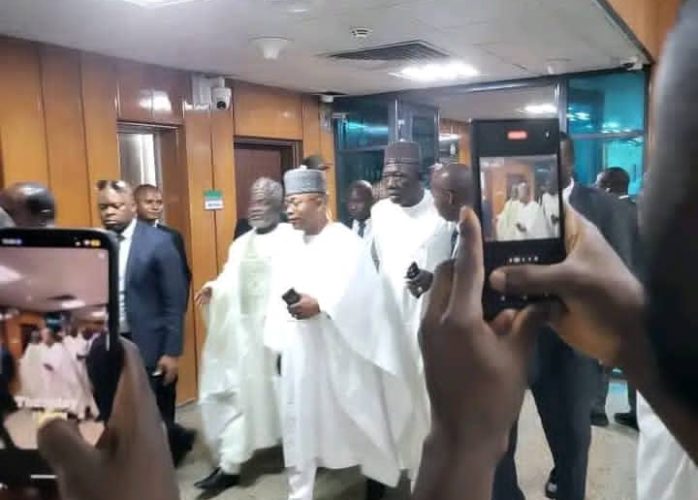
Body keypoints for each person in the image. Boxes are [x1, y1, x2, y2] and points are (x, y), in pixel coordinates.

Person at [493, 133, 638, 500]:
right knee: (498, 439)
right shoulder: (510, 207)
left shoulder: (607, 209)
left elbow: (623, 275)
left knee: (573, 439)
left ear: (571, 162)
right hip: (514, 337)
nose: (542, 169)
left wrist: (616, 343)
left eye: (552, 161)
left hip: (573, 346)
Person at [265, 167, 405, 500]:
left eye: (296, 202)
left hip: (343, 350)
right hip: (301, 351)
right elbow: (275, 292)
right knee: (300, 421)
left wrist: (323, 304)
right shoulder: (288, 244)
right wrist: (280, 344)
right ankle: (299, 493)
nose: (289, 210)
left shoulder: (346, 242)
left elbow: (366, 294)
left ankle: (377, 480)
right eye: (287, 203)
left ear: (320, 201)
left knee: (362, 417)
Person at [193, 178, 293, 495]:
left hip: (280, 337)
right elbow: (229, 277)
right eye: (253, 201)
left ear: (278, 205)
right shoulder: (241, 243)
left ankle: (302, 454)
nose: (255, 208)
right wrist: (214, 288)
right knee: (239, 396)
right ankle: (230, 463)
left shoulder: (292, 238)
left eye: (263, 202)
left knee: (285, 398)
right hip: (244, 338)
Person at [94, 180, 192, 466]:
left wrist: (172, 352)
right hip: (109, 340)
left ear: (132, 207)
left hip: (148, 342)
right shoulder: (97, 242)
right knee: (111, 405)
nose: (109, 212)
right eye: (103, 207)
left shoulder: (159, 242)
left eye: (116, 206)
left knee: (152, 410)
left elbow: (174, 301)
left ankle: (164, 460)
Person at [370, 142, 452, 481]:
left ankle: (428, 473)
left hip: (430, 320)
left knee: (427, 398)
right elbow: (374, 261)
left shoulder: (442, 211)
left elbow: (460, 263)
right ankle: (391, 467)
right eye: (386, 175)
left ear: (419, 175)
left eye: (399, 176)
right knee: (391, 394)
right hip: (389, 320)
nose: (390, 183)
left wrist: (434, 279)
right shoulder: (380, 212)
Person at [134, 184, 192, 288]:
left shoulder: (173, 236)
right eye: (149, 202)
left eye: (159, 202)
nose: (155, 207)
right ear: (134, 205)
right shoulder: (126, 235)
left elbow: (183, 273)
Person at [430, 162, 473, 254]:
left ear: (450, 197)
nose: (433, 203)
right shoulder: (460, 229)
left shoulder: (471, 238)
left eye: (435, 197)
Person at [541, 174, 561, 238]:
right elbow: (542, 211)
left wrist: (558, 218)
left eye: (550, 185)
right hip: (547, 227)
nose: (548, 188)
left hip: (558, 227)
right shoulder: (544, 196)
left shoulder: (561, 196)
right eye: (547, 186)